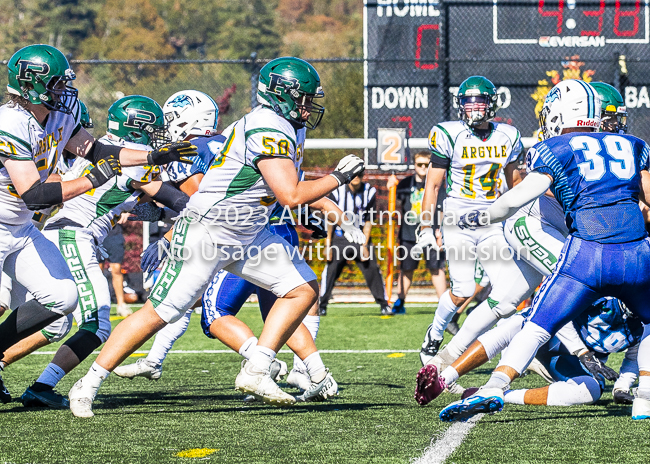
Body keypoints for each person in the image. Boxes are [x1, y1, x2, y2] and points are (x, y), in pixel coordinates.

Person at [68, 56, 365, 417]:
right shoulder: (266, 125)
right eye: (301, 98)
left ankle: (258, 368)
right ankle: (88, 384)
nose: (307, 106)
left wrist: (340, 215)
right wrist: (340, 176)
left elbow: (293, 186)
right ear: (280, 96)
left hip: (248, 230)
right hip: (208, 230)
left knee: (302, 288)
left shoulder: (289, 125)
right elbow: (290, 195)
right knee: (161, 312)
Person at [439, 79, 650, 422]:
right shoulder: (631, 145)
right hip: (637, 254)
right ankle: (645, 398)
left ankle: (495, 385)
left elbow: (513, 200)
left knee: (536, 323)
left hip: (586, 255)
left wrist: (478, 214)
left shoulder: (557, 148)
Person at [0, 45, 196, 369]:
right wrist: (92, 181)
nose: (65, 91)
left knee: (62, 298)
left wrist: (152, 157)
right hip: (13, 222)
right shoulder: (10, 122)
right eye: (57, 84)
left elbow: (101, 151)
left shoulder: (59, 116)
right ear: (32, 85)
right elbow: (34, 196)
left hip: (21, 228)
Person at [415, 76, 541, 368]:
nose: (474, 108)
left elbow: (516, 184)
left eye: (480, 101)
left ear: (492, 104)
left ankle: (501, 349)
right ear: (460, 105)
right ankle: (434, 335)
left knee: (507, 293)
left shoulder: (506, 135)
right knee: (462, 289)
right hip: (458, 220)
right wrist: (425, 226)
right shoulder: (449, 134)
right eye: (468, 102)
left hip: (491, 220)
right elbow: (433, 186)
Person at [416, 298, 641, 407]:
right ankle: (443, 379)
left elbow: (633, 358)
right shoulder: (607, 292)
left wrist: (622, 387)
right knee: (521, 324)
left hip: (566, 360)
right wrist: (581, 350)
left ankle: (496, 395)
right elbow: (558, 310)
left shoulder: (644, 322)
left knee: (592, 390)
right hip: (549, 333)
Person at [318, 172, 391, 316]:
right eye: (353, 173)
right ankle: (322, 304)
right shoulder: (337, 192)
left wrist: (364, 245)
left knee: (372, 268)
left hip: (360, 237)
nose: (356, 176)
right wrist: (327, 245)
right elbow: (330, 219)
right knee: (331, 270)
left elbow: (369, 220)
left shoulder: (369, 191)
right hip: (339, 237)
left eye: (360, 173)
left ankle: (384, 304)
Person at [388, 151, 447, 315]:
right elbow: (394, 207)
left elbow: (441, 209)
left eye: (426, 164)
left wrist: (440, 231)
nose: (423, 168)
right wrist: (391, 189)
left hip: (431, 233)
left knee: (437, 268)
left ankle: (444, 305)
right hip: (408, 234)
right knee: (406, 269)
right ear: (414, 165)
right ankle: (399, 302)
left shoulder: (436, 184)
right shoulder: (405, 183)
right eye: (419, 164)